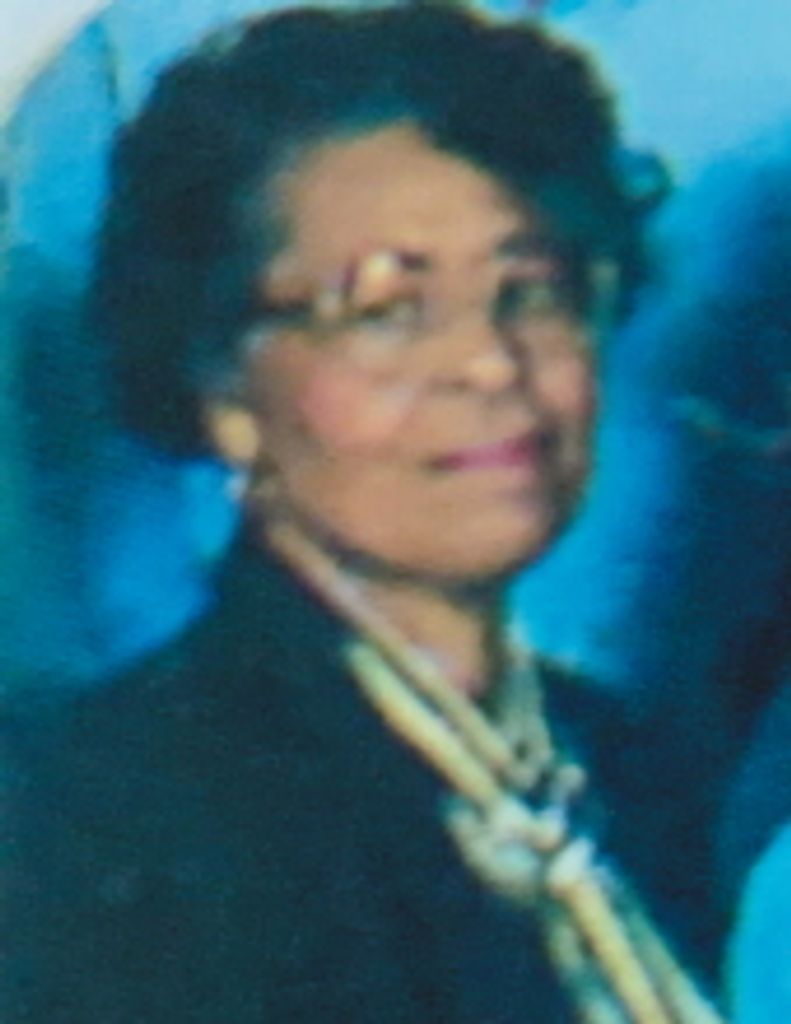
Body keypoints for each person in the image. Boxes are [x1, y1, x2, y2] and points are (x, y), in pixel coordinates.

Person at [4, 5, 726, 1021]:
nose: (489, 363)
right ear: (221, 385)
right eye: (387, 309)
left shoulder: (639, 771)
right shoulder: (108, 816)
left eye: (530, 291)